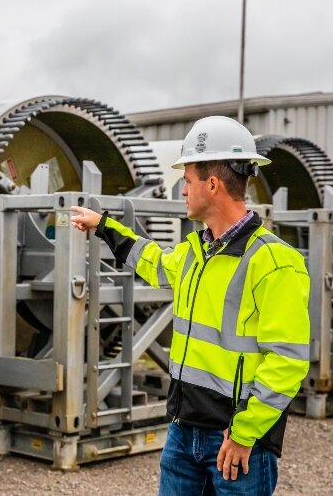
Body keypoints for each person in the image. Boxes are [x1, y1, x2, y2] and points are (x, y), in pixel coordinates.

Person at [70, 116, 310, 495]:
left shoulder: (275, 262)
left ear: (212, 185)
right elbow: (153, 261)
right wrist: (103, 226)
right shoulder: (195, 252)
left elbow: (288, 361)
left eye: (187, 179)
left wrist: (245, 434)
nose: (183, 190)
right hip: (183, 432)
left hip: (235, 441)